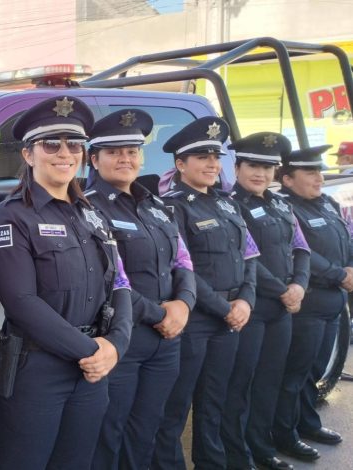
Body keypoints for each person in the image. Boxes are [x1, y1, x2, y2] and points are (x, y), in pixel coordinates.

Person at [0, 95, 133, 469]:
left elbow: (120, 283)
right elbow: (21, 301)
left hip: (90, 370)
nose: (64, 153)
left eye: (74, 144)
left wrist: (116, 344)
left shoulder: (92, 214)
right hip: (37, 370)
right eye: (51, 144)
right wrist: (91, 350)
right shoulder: (11, 217)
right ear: (29, 154)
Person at [85, 109, 196, 470]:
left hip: (166, 341)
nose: (125, 158)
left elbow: (184, 262)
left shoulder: (157, 206)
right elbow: (108, 279)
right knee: (109, 432)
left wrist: (184, 303)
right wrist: (162, 313)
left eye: (132, 151)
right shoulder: (87, 209)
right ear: (94, 159)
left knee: (148, 428)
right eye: (114, 151)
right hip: (123, 338)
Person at [152, 117, 259, 470]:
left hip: (230, 318)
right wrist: (223, 307)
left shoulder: (228, 204)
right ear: (181, 164)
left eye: (216, 156)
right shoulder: (171, 207)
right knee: (175, 407)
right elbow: (181, 267)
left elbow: (249, 257)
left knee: (214, 402)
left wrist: (245, 299)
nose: (212, 164)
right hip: (196, 320)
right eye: (202, 157)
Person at [220, 132, 310, 470]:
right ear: (238, 166)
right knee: (240, 385)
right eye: (253, 165)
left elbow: (300, 248)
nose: (260, 173)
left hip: (280, 311)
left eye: (268, 167)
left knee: (269, 381)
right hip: (251, 308)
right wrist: (283, 290)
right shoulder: (230, 204)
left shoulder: (280, 204)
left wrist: (300, 284)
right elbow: (247, 259)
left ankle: (260, 447)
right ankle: (235, 452)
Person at [273, 145, 349, 462]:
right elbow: (299, 252)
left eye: (319, 171)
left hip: (333, 302)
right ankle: (284, 435)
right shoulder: (284, 208)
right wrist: (338, 274)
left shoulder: (327, 204)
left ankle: (307, 423)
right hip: (310, 301)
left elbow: (347, 239)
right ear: (288, 179)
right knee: (294, 375)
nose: (319, 178)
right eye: (310, 172)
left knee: (315, 370)